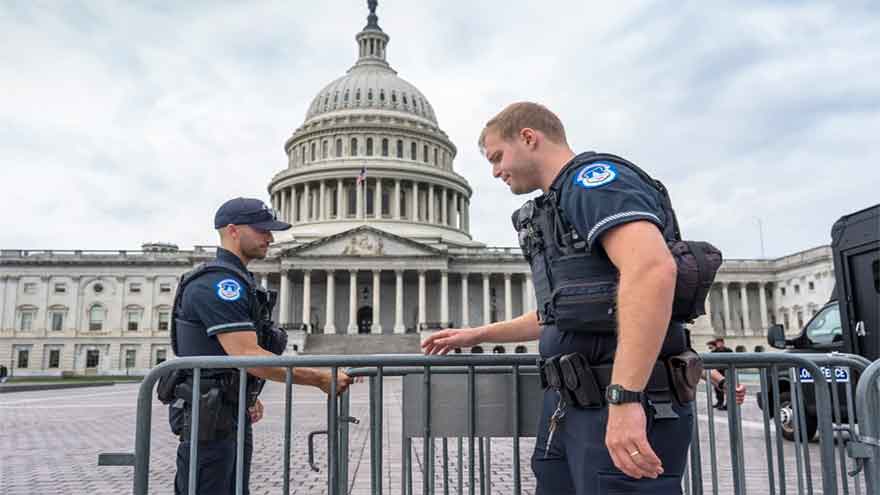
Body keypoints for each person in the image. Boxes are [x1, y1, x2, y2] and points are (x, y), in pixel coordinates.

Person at [423, 102, 716, 493]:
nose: (495, 171)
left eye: (497, 157)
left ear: (528, 138)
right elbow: (567, 312)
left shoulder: (595, 182)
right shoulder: (559, 203)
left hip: (617, 397)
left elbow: (651, 269)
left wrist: (625, 397)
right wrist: (477, 335)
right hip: (573, 402)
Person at [168, 197, 354, 495]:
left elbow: (232, 354)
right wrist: (319, 377)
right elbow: (246, 354)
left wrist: (245, 393)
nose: (270, 237)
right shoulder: (218, 284)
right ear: (232, 231)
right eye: (261, 230)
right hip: (208, 416)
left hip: (227, 409)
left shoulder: (238, 281)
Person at [711, 337, 734, 410]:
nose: (719, 344)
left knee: (728, 388)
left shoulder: (728, 351)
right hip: (718, 372)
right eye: (718, 343)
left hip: (727, 372)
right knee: (717, 389)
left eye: (720, 343)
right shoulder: (714, 352)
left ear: (723, 343)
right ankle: (719, 402)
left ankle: (728, 404)